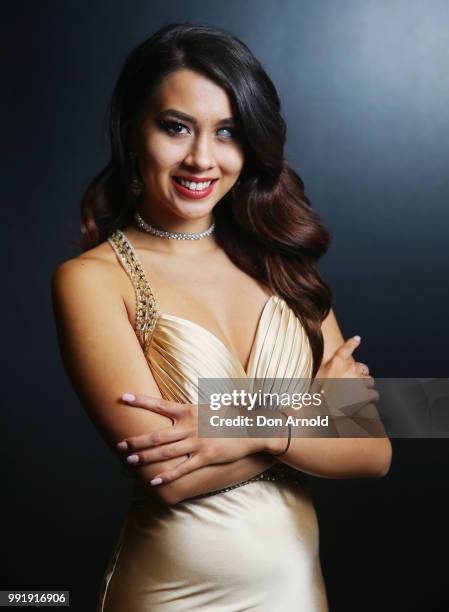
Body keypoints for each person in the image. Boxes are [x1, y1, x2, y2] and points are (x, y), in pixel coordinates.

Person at [51, 23, 392, 612]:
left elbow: (373, 451)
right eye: (176, 127)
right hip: (173, 594)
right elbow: (170, 478)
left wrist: (245, 426)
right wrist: (309, 416)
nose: (201, 158)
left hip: (296, 594)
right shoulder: (92, 279)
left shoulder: (281, 262)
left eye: (227, 132)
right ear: (134, 131)